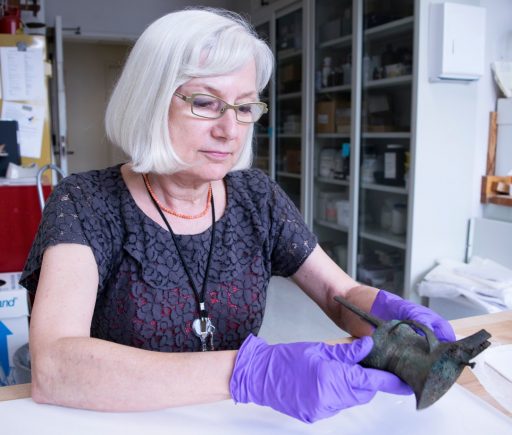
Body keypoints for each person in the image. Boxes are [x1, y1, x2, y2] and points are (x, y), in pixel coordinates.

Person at [21, 7, 455, 424]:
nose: (229, 130)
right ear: (149, 100)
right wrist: (249, 372)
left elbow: (338, 294)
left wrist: (392, 320)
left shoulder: (256, 197)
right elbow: (56, 366)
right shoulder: (85, 201)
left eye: (245, 108)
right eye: (207, 103)